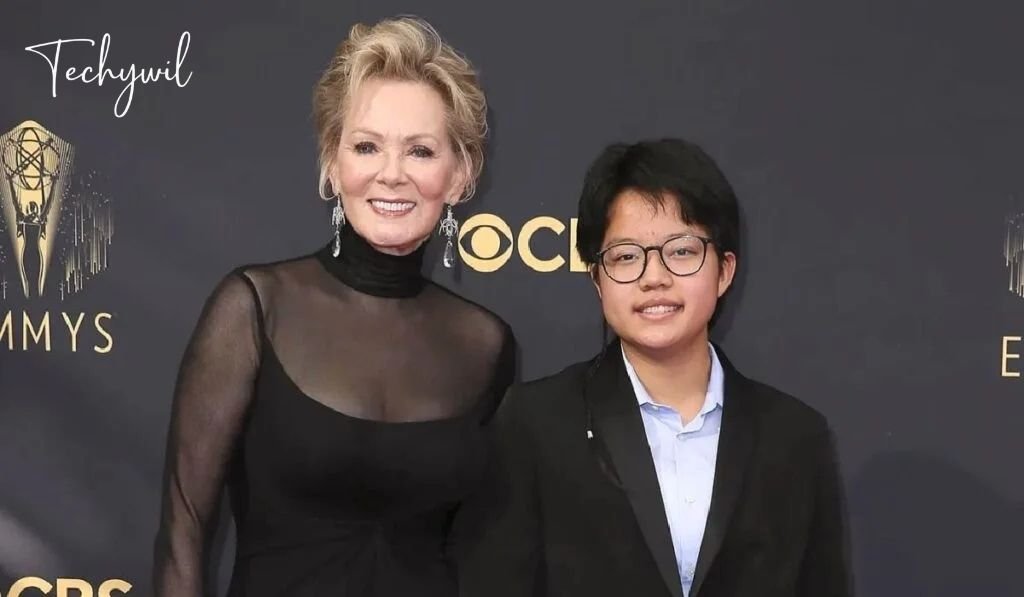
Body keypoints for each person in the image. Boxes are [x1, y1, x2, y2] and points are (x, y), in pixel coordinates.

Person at [153, 16, 515, 597]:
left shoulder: (486, 344)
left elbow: (484, 549)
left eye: (420, 150)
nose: (390, 174)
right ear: (331, 163)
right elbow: (184, 533)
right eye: (366, 146)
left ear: (460, 175)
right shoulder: (255, 309)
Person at [457, 138, 853, 597]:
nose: (654, 277)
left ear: (724, 270)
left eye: (681, 251)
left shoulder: (795, 438)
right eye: (626, 256)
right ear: (596, 279)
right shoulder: (535, 423)